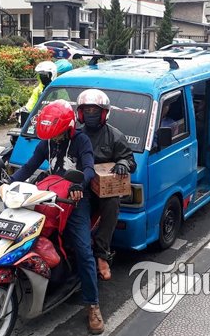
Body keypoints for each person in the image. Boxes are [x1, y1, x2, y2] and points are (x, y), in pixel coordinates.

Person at [0, 100, 104, 334]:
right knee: (22, 233)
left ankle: (92, 304)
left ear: (68, 126)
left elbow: (90, 168)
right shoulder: (48, 142)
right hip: (49, 195)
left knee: (83, 251)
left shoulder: (81, 140)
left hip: (74, 199)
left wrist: (79, 184)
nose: (54, 137)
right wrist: (7, 182)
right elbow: (29, 167)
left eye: (57, 132)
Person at [77, 89, 136, 281]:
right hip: (80, 187)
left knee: (112, 204)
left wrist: (122, 164)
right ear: (80, 113)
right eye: (87, 110)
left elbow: (130, 161)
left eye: (95, 110)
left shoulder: (115, 136)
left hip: (103, 192)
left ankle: (102, 254)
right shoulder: (75, 135)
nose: (90, 114)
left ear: (104, 113)